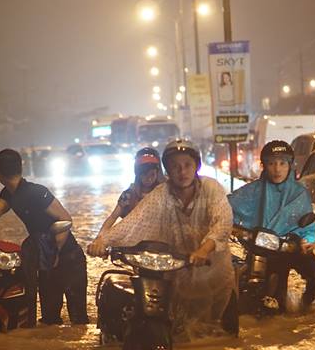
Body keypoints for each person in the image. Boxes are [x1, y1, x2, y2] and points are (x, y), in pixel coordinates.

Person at [88, 139, 237, 336]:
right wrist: (102, 241)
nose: (182, 172)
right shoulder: (159, 194)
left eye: (187, 165)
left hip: (212, 269)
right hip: (176, 268)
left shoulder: (212, 188)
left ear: (197, 167)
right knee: (176, 325)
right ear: (166, 170)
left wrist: (204, 249)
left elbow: (222, 223)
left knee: (217, 330)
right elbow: (134, 221)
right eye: (175, 167)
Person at [0, 149, 88, 327]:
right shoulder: (9, 194)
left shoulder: (36, 192)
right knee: (50, 320)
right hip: (44, 257)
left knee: (79, 319)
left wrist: (55, 252)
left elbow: (64, 219)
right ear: (20, 167)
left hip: (68, 258)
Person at [228, 140, 315, 312]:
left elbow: (308, 225)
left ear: (290, 165)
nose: (277, 169)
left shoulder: (299, 193)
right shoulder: (252, 191)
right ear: (264, 166)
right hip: (260, 247)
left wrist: (306, 242)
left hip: (291, 247)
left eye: (282, 163)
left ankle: (306, 308)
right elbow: (225, 207)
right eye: (271, 163)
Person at [92, 147, 166, 240]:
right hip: (132, 243)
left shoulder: (165, 193)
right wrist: (99, 239)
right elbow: (113, 217)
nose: (149, 178)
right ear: (138, 174)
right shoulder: (128, 195)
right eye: (144, 174)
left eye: (152, 175)